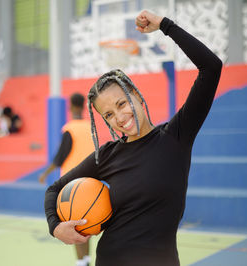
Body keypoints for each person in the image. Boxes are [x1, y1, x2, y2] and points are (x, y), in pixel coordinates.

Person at [44, 10, 222, 266]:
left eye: (121, 103)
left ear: (137, 96)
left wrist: (165, 25)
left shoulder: (176, 136)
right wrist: (55, 227)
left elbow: (211, 67)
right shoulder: (107, 155)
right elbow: (54, 189)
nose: (119, 116)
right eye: (108, 114)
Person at [39, 93, 95, 266]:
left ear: (71, 107)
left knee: (74, 226)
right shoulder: (90, 127)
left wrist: (45, 174)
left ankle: (81, 262)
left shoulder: (69, 129)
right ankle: (86, 260)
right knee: (87, 225)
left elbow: (60, 158)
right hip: (91, 183)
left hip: (72, 186)